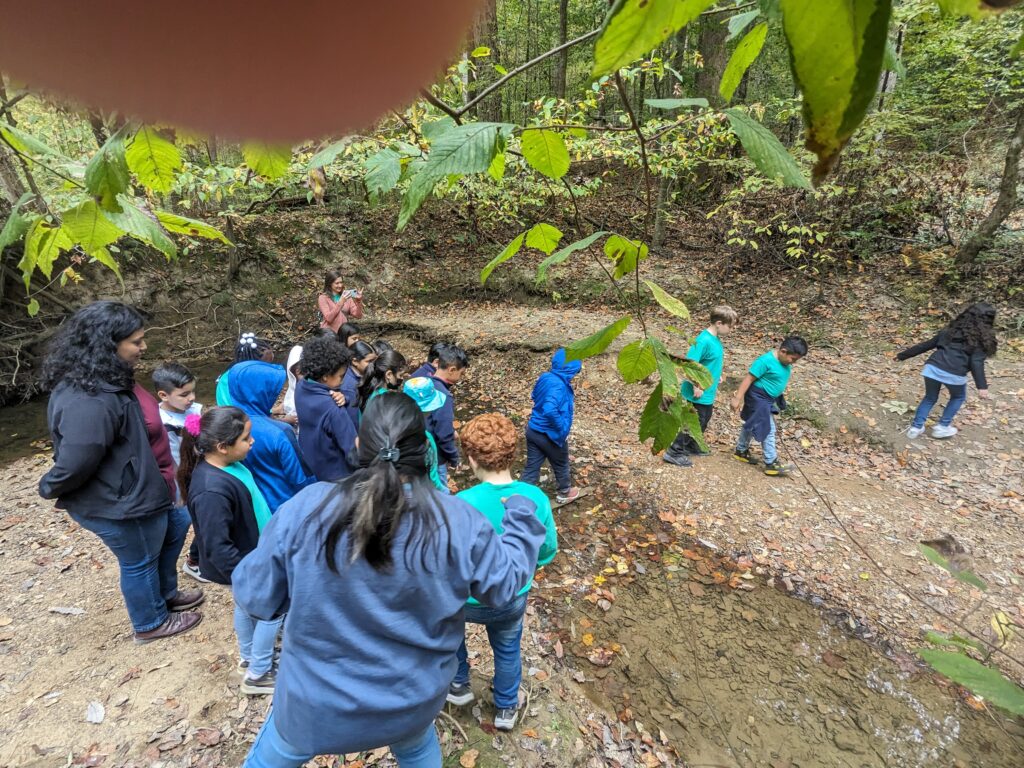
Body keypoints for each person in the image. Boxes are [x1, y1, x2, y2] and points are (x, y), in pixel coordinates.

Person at [233, 392, 547, 767]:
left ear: (358, 445)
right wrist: (523, 520)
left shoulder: (307, 506)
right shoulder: (459, 522)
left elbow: (254, 596)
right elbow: (503, 587)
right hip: (409, 703)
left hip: (312, 706)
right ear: (426, 452)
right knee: (415, 746)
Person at [38, 302, 202, 643]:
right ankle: (150, 622)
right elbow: (78, 459)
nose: (144, 347)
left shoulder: (111, 376)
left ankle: (166, 594)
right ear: (107, 344)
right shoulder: (91, 398)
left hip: (148, 487)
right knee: (140, 558)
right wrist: (49, 486)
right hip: (123, 500)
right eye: (136, 341)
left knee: (174, 529)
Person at [449, 414, 558, 730]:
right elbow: (547, 549)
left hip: (466, 600)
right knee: (508, 649)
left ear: (471, 459)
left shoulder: (461, 502)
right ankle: (506, 708)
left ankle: (458, 684)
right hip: (511, 598)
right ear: (514, 454)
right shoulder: (534, 497)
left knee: (453, 634)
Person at [177, 407, 281, 695]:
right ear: (222, 447)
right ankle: (259, 673)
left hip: (254, 555)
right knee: (272, 611)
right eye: (246, 439)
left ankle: (250, 657)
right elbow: (217, 546)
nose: (252, 443)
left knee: (247, 609)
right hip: (245, 565)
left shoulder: (230, 466)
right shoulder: (211, 491)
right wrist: (249, 576)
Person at [217, 360, 315, 510]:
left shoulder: (224, 426)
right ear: (259, 392)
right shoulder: (279, 431)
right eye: (271, 392)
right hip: (286, 504)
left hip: (254, 506)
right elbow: (300, 478)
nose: (274, 397)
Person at [897, 302, 997, 439]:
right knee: (958, 397)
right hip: (954, 373)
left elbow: (926, 345)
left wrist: (902, 356)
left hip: (932, 368)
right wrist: (982, 386)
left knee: (930, 397)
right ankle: (942, 427)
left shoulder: (949, 331)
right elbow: (976, 362)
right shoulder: (981, 340)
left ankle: (915, 427)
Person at [152, 362, 208, 583]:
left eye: (193, 391)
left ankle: (198, 557)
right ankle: (194, 562)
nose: (191, 397)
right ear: (163, 395)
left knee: (204, 518)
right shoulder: (157, 421)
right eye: (184, 394)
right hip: (177, 480)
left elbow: (198, 439)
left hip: (199, 472)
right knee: (192, 520)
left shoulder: (193, 410)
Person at [663, 306, 738, 468]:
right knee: (693, 422)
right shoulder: (703, 341)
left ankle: (691, 445)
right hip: (697, 392)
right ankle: (674, 451)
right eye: (730, 326)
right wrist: (696, 385)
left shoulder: (715, 340)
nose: (732, 329)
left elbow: (709, 363)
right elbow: (688, 364)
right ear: (719, 323)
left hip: (708, 391)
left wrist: (716, 376)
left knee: (704, 419)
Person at [731, 336, 808, 477]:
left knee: (752, 422)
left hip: (768, 398)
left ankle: (741, 450)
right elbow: (749, 378)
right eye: (793, 359)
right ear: (783, 351)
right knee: (768, 428)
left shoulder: (784, 362)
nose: (794, 362)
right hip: (757, 398)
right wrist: (737, 398)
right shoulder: (765, 361)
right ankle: (771, 462)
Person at [521, 348, 582, 504]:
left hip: (533, 430)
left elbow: (534, 395)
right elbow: (549, 409)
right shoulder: (560, 386)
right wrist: (561, 429)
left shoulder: (546, 377)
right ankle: (564, 492)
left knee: (532, 466)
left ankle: (519, 497)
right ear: (571, 369)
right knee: (561, 463)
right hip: (550, 435)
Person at [295, 336, 358, 481]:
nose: (343, 381)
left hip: (313, 465)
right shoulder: (334, 410)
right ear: (325, 376)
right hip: (338, 474)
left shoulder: (302, 386)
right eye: (341, 376)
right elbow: (353, 452)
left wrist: (345, 397)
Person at [424, 344, 468, 489]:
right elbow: (444, 433)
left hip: (420, 450)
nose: (461, 378)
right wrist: (454, 458)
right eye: (461, 373)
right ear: (451, 369)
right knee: (442, 496)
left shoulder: (426, 384)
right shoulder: (443, 395)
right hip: (436, 457)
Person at [403, 377, 449, 492]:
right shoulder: (426, 439)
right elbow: (433, 478)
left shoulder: (393, 427)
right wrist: (445, 492)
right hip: (422, 494)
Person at [340, 340, 378, 429]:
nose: (373, 364)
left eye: (375, 360)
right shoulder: (349, 387)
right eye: (369, 361)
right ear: (355, 361)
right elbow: (354, 419)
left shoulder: (363, 373)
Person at [318, 269, 364, 334]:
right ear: (329, 283)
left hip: (343, 333)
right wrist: (341, 302)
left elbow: (358, 316)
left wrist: (358, 301)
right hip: (329, 334)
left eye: (341, 282)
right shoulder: (323, 298)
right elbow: (329, 318)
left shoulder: (346, 296)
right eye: (337, 283)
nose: (340, 285)